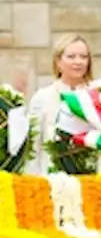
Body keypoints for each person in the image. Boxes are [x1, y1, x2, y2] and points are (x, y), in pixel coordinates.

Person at [24, 34, 94, 175]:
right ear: (58, 61)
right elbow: (33, 146)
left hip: (91, 178)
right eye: (71, 56)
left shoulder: (99, 95)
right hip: (51, 177)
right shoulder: (43, 97)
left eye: (83, 57)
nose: (78, 61)